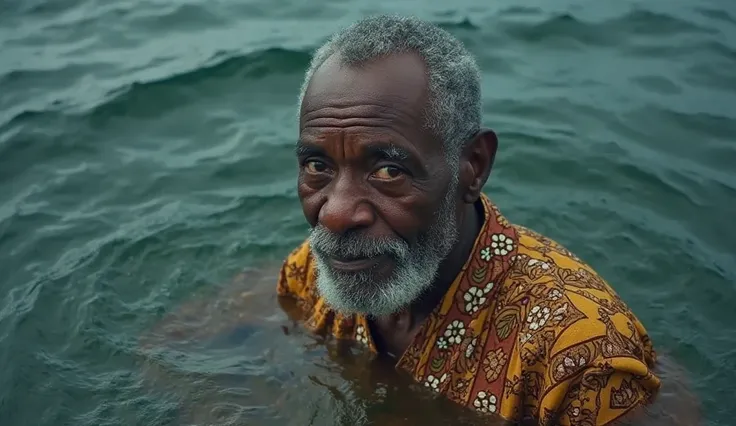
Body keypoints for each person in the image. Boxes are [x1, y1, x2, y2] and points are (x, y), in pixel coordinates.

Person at [277, 14, 664, 425]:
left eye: (389, 171)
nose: (335, 214)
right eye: (318, 165)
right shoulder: (318, 272)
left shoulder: (579, 364)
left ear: (473, 167)